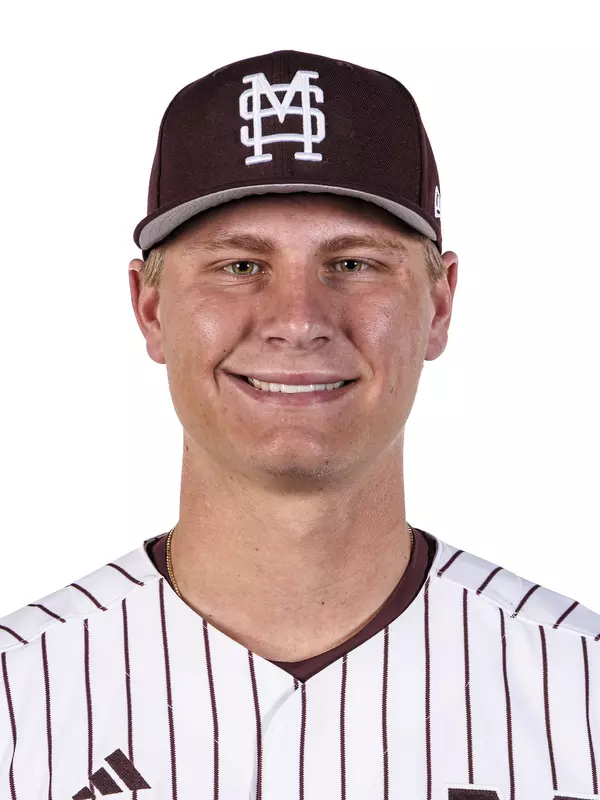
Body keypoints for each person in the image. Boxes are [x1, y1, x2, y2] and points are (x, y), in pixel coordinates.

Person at [1, 49, 598, 800]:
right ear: (150, 310)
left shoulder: (582, 693)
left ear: (439, 306)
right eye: (239, 266)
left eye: (353, 264)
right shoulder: (17, 702)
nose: (298, 320)